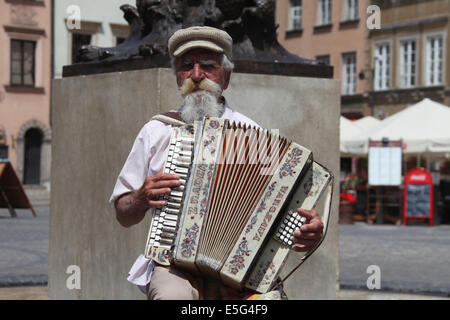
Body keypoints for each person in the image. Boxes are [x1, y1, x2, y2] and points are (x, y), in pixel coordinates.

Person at [110, 26, 324, 300]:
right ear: (177, 76)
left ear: (227, 77)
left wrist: (307, 231)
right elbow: (122, 213)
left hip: (242, 270)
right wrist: (139, 199)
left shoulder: (253, 134)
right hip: (173, 265)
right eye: (186, 66)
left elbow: (283, 210)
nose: (196, 75)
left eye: (208, 66)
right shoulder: (157, 130)